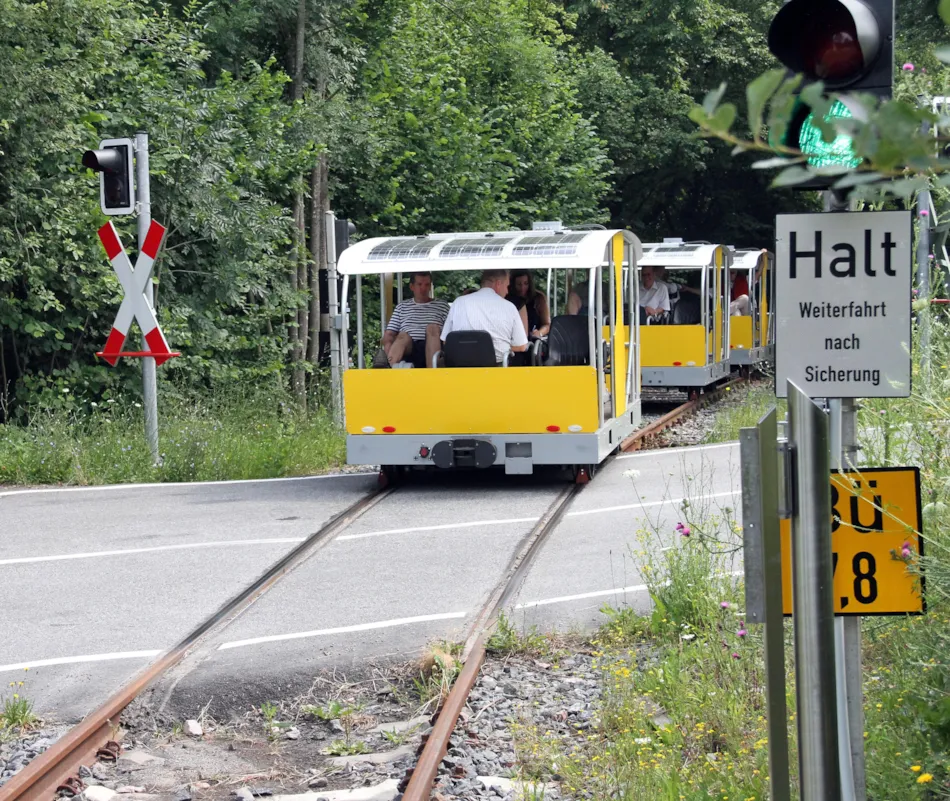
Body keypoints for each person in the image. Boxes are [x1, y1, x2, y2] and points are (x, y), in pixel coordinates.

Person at [441, 269, 529, 364]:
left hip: (460, 368)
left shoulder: (458, 302)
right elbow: (522, 346)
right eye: (507, 286)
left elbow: (446, 341)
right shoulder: (510, 307)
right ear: (498, 284)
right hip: (496, 369)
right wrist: (500, 345)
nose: (507, 291)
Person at [373, 272, 449, 368]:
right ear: (412, 286)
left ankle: (432, 372)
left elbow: (449, 333)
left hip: (434, 345)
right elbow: (389, 335)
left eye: (427, 285)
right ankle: (389, 367)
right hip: (409, 347)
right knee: (403, 335)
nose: (423, 288)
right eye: (419, 284)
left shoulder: (442, 305)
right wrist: (387, 353)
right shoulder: (402, 306)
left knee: (432, 328)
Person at [508, 271, 551, 338]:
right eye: (519, 284)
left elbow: (547, 324)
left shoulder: (538, 298)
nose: (522, 288)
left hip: (534, 341)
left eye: (526, 283)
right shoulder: (508, 298)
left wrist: (539, 333)